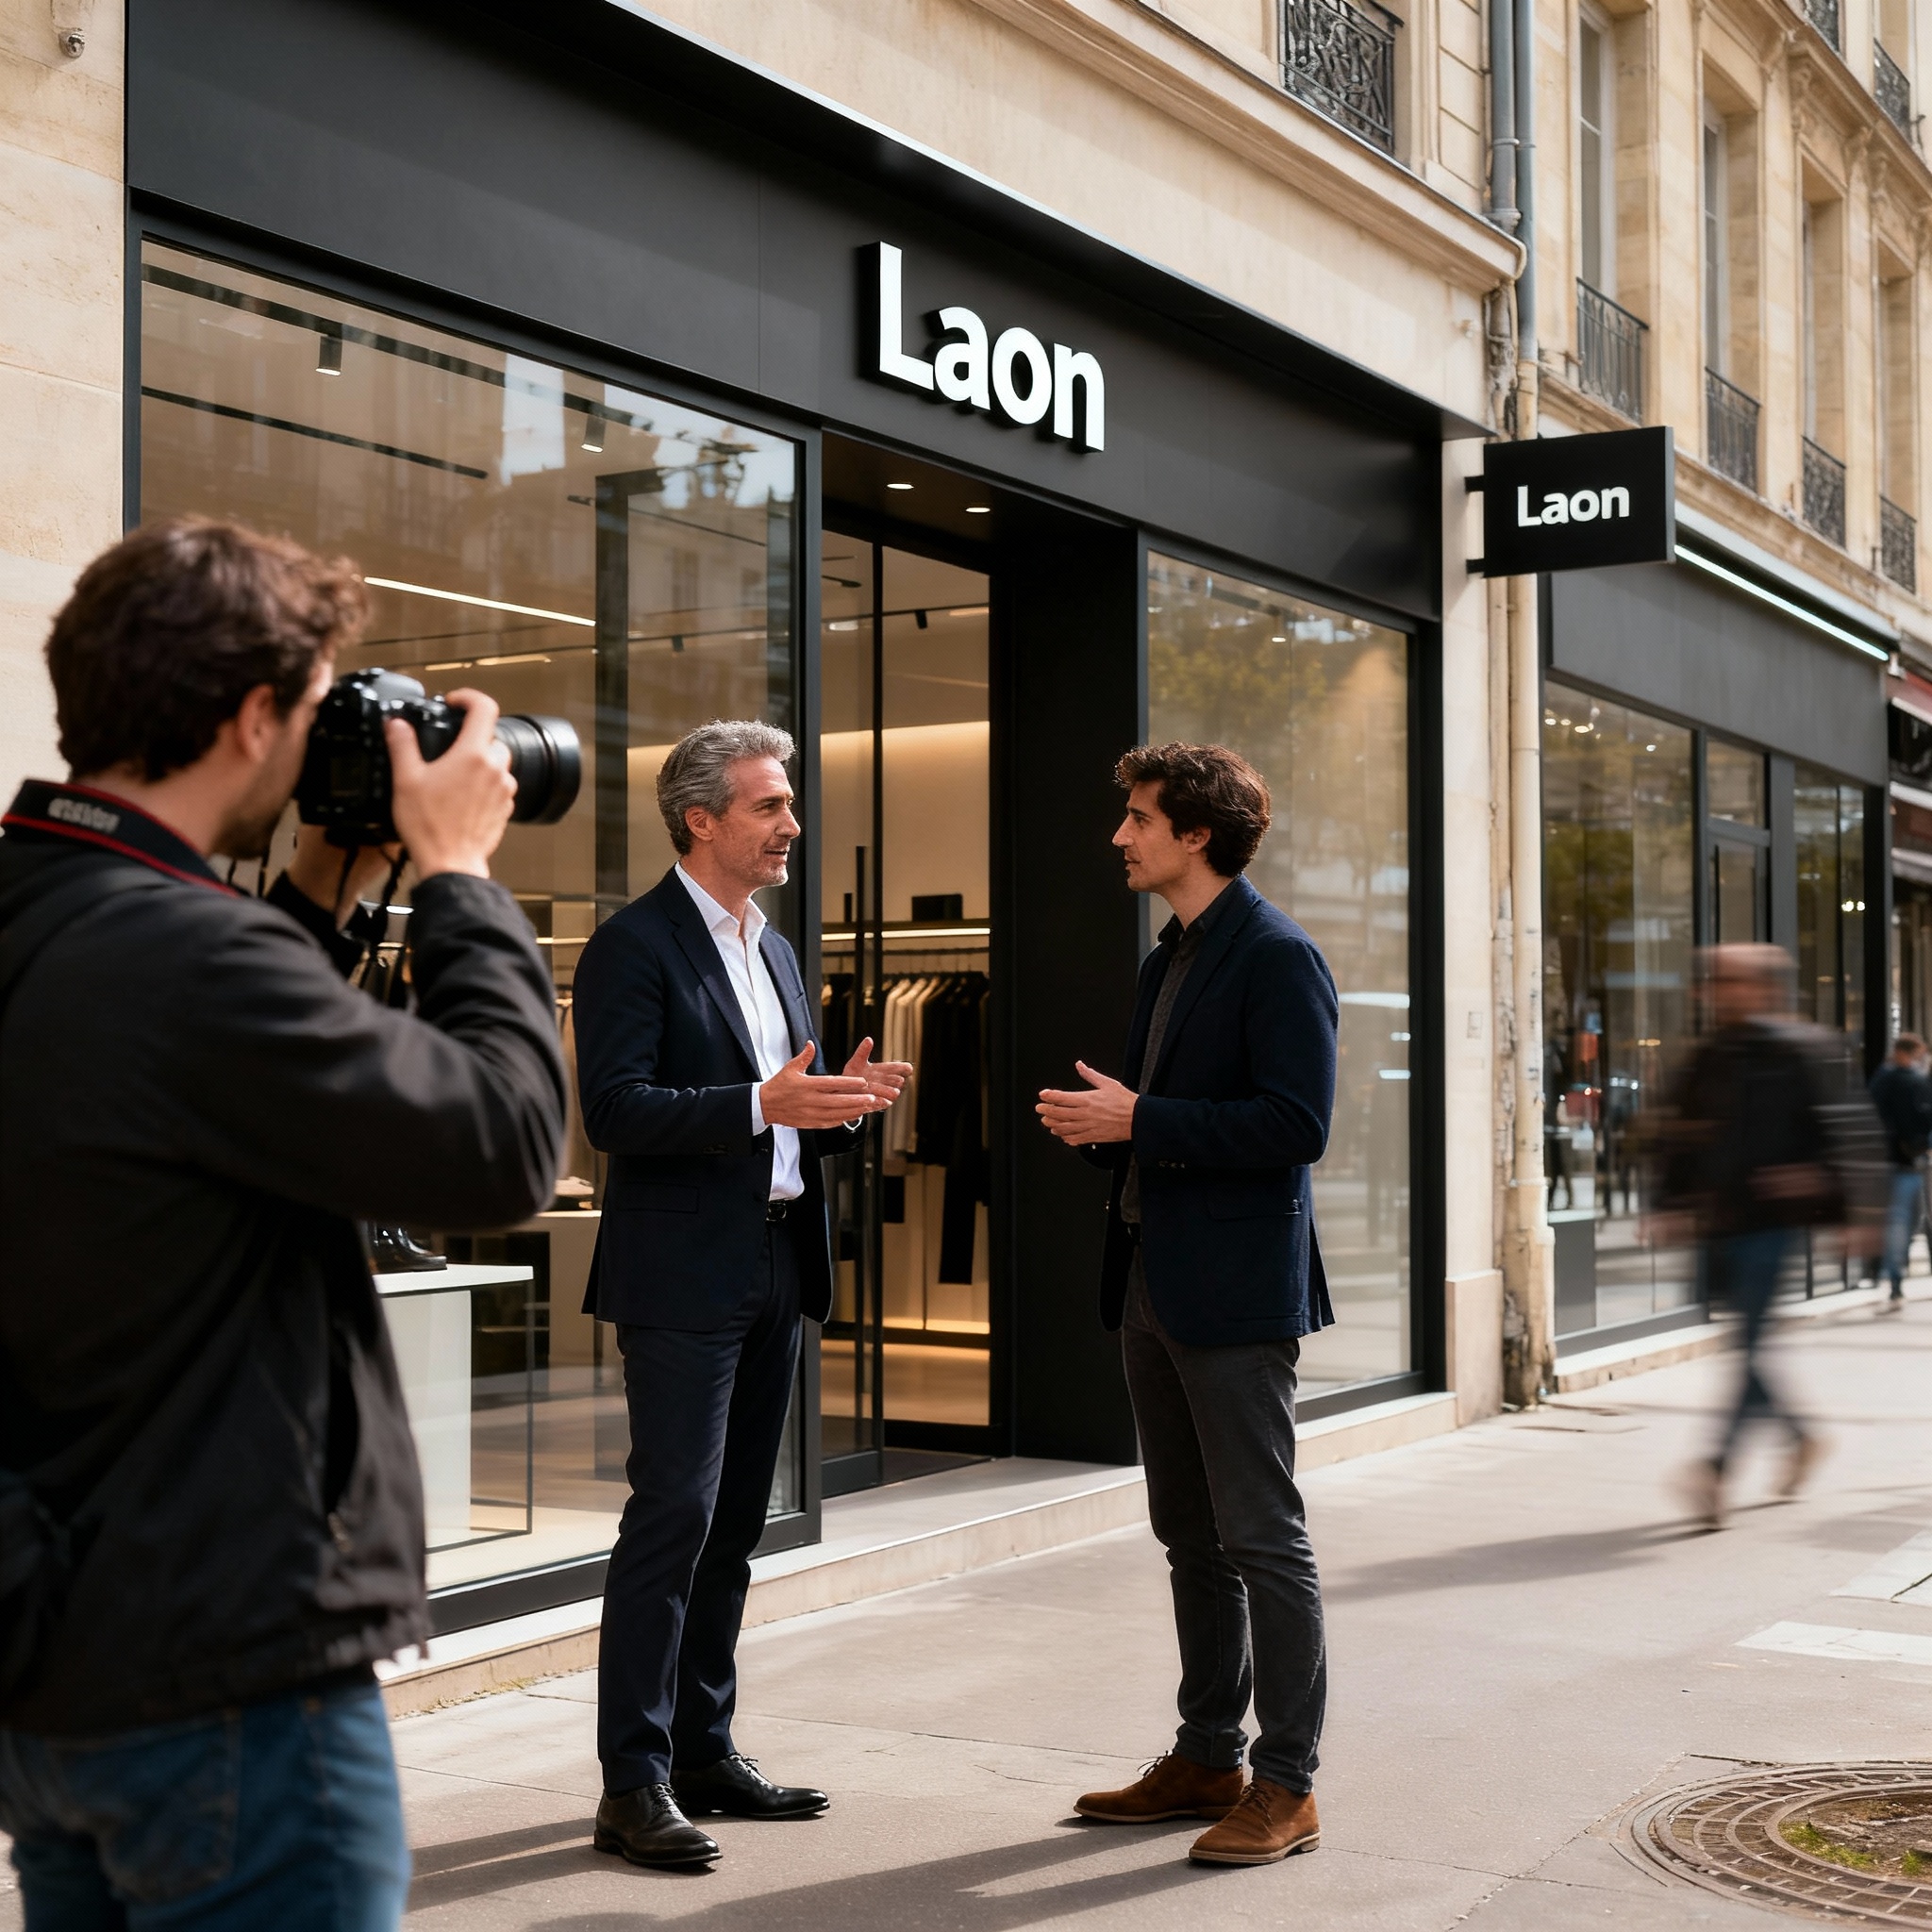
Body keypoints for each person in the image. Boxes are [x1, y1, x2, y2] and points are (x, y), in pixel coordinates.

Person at [0, 518, 566, 1926]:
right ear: (256, 714)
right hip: (227, 1678)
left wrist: (317, 883)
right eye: (319, 708)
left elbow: (202, 1084)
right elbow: (502, 1143)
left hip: (54, 1670)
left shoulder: (52, 912)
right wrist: (460, 878)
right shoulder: (186, 956)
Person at [574, 721, 909, 1870]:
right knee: (669, 1516)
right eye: (769, 805)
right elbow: (614, 1111)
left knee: (730, 1526)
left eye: (788, 804)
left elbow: (781, 1100)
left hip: (778, 1254)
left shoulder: (771, 946)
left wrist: (841, 1099)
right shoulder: (632, 944)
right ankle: (634, 1778)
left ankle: (706, 1748)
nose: (790, 825)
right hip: (680, 1270)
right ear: (699, 818)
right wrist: (758, 1105)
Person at [1037, 741, 1337, 1870]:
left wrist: (1139, 1122)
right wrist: (1100, 1128)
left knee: (1263, 1538)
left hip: (1234, 1291)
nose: (1120, 834)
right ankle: (1206, 1751)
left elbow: (1294, 1125)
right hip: (1149, 1278)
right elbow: (1157, 1117)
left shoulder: (1277, 955)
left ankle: (1288, 1783)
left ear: (1194, 833)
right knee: (1187, 1537)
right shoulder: (1168, 958)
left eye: (1138, 816)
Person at [1653, 944, 1885, 1528]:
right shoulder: (1711, 1052)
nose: (1716, 990)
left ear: (1764, 988)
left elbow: (1851, 1130)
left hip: (1772, 1224)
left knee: (1748, 1347)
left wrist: (1855, 1208)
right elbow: (1678, 1130)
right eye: (1713, 980)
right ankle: (1801, 1436)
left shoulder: (1803, 1049)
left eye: (1730, 980)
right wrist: (1669, 1201)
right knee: (1746, 1347)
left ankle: (1715, 1470)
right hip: (1719, 1220)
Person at [1868, 1031, 1932, 1307]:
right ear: (1907, 1053)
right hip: (1906, 1161)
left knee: (1903, 1219)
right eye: (1917, 1055)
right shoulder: (1910, 1081)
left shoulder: (1881, 1079)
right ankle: (1894, 1277)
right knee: (1907, 1219)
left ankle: (1893, 1276)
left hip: (1887, 1161)